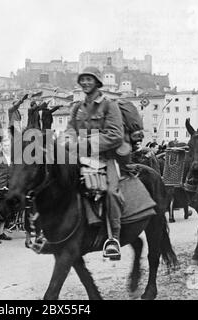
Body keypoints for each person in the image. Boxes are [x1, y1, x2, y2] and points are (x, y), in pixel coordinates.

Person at [65, 66, 129, 260]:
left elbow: (116, 135)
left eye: (89, 79)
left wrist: (84, 144)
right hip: (80, 157)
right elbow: (69, 130)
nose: (85, 83)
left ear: (98, 82)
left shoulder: (109, 105)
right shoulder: (77, 107)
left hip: (106, 158)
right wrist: (68, 142)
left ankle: (113, 239)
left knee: (111, 193)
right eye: (82, 79)